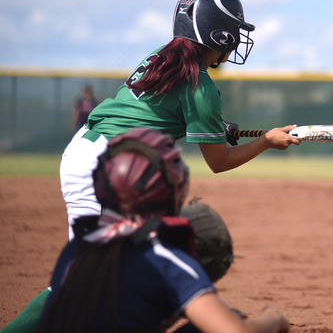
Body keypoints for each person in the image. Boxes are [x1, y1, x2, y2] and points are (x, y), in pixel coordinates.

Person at [1, 0, 300, 333]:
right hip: (112, 167)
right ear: (218, 34)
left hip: (89, 151)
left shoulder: (163, 56)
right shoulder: (201, 86)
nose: (235, 41)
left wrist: (213, 127)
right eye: (233, 32)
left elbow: (154, 111)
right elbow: (218, 161)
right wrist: (266, 141)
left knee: (98, 273)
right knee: (78, 282)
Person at [37, 127, 290, 333]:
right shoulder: (164, 260)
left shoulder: (78, 248)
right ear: (173, 189)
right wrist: (274, 320)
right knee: (227, 320)